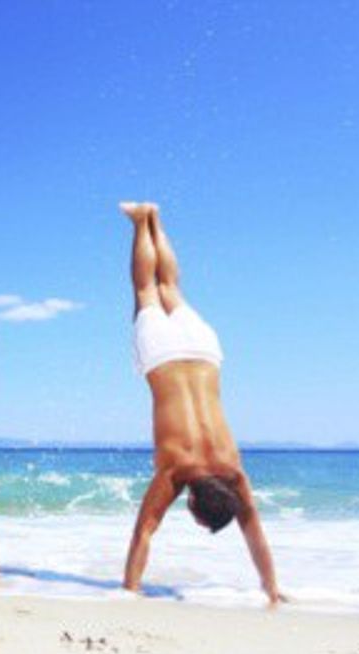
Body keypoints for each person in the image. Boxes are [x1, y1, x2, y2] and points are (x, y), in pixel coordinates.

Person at [120, 201, 284, 605]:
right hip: (162, 356)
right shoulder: (175, 471)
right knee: (146, 291)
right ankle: (140, 222)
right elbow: (144, 532)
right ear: (192, 500)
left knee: (170, 287)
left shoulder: (235, 471)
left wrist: (272, 588)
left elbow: (255, 532)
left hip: (205, 350)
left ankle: (155, 218)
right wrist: (130, 591)